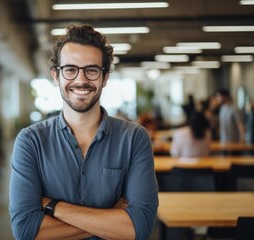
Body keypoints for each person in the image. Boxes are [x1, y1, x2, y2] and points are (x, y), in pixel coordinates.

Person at [9, 24, 159, 240]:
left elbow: (140, 228)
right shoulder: (31, 141)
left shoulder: (134, 139)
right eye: (70, 69)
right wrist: (114, 217)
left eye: (91, 70)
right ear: (56, 75)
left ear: (105, 77)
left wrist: (53, 207)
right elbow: (26, 231)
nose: (80, 80)